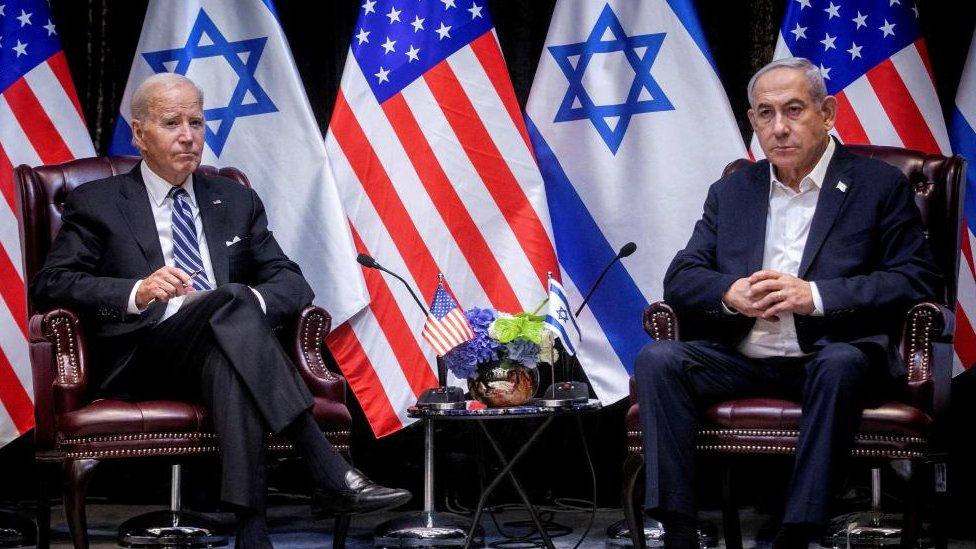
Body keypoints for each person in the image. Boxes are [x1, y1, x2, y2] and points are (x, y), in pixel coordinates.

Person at [30, 73, 410, 548]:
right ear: (139, 133)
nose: (188, 136)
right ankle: (324, 466)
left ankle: (253, 534)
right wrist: (138, 290)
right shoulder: (98, 202)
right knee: (229, 302)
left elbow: (292, 282)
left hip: (224, 350)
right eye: (172, 123)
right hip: (142, 355)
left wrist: (244, 302)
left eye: (196, 121)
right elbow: (53, 283)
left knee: (229, 329)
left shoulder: (234, 199)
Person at [633, 57, 943, 549]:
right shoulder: (733, 190)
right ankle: (678, 528)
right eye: (765, 113)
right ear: (752, 121)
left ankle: (799, 531)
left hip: (831, 353)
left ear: (827, 113)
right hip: (743, 357)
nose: (779, 128)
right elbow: (682, 276)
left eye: (794, 110)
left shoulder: (877, 186)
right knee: (659, 358)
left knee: (840, 362)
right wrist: (729, 294)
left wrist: (815, 296)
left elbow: (915, 277)